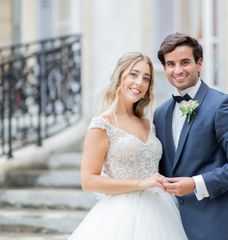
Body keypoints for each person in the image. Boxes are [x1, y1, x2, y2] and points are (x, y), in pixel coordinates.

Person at [68, 52, 187, 240]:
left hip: (160, 211)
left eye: (146, 78)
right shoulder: (102, 124)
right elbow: (88, 181)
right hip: (121, 215)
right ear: (120, 76)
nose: (139, 82)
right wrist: (140, 184)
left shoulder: (149, 123)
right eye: (134, 74)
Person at [153, 32, 228, 240]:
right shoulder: (160, 113)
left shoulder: (223, 104)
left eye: (185, 62)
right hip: (171, 226)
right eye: (170, 64)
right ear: (165, 68)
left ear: (199, 64)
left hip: (217, 227)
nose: (178, 70)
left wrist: (195, 184)